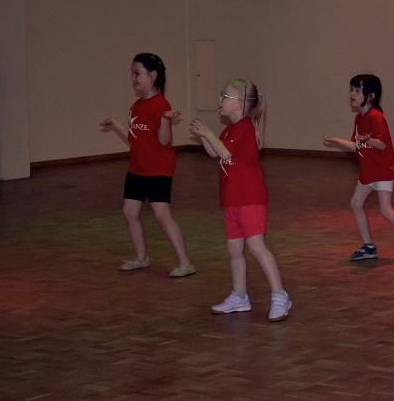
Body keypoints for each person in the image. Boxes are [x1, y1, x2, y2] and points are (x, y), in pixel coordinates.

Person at [190, 79, 291, 322]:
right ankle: (239, 296)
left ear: (242, 103)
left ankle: (280, 295)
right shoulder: (229, 130)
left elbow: (225, 152)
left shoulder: (245, 128)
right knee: (234, 249)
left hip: (249, 199)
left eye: (225, 96)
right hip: (232, 200)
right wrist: (204, 137)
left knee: (256, 246)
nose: (220, 100)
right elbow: (215, 153)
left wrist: (208, 133)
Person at [99, 53, 195, 278]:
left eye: (137, 74)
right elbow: (133, 140)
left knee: (162, 216)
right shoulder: (136, 106)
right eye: (132, 74)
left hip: (158, 170)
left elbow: (164, 141)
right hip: (137, 169)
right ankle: (141, 257)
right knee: (129, 211)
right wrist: (115, 124)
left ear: (153, 75)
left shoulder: (161, 105)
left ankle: (185, 263)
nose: (133, 79)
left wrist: (165, 120)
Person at [323, 74, 394, 263]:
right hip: (368, 171)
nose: (352, 94)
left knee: (386, 210)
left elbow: (382, 144)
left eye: (357, 90)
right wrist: (336, 140)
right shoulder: (359, 118)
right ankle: (368, 247)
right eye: (351, 89)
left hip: (382, 170)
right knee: (356, 203)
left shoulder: (376, 117)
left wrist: (370, 140)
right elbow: (355, 146)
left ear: (371, 96)